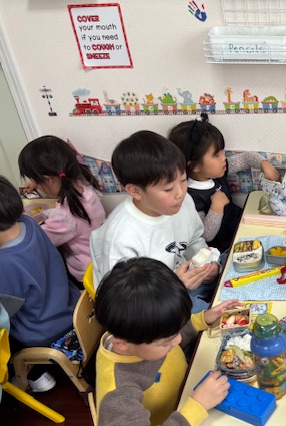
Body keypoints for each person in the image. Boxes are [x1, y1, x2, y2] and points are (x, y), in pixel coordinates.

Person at [94, 257, 256, 426]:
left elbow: (167, 336)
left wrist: (202, 320)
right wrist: (197, 406)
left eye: (177, 331)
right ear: (122, 344)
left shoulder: (139, 334)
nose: (178, 340)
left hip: (183, 408)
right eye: (167, 341)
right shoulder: (117, 392)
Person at [90, 130, 217, 312]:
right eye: (168, 189)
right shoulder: (120, 239)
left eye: (183, 180)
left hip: (186, 284)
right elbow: (125, 306)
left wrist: (210, 265)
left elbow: (194, 240)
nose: (180, 193)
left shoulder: (183, 202)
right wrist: (175, 287)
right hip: (155, 308)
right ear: (135, 191)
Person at [0, 175, 79, 393]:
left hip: (43, 331)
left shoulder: (5, 262)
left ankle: (35, 375)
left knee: (5, 334)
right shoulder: (29, 224)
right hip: (69, 309)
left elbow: (5, 314)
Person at [168, 113, 280, 255]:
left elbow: (246, 159)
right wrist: (216, 207)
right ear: (195, 166)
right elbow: (205, 235)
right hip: (226, 249)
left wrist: (264, 164)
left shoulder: (218, 171)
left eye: (222, 152)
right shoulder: (191, 197)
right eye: (216, 155)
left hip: (242, 227)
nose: (223, 158)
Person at [18, 135, 106, 286]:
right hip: (101, 259)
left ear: (49, 179)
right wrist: (38, 183)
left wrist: (22, 216)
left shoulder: (64, 217)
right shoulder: (84, 185)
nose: (37, 184)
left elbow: (39, 240)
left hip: (86, 274)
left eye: (38, 181)